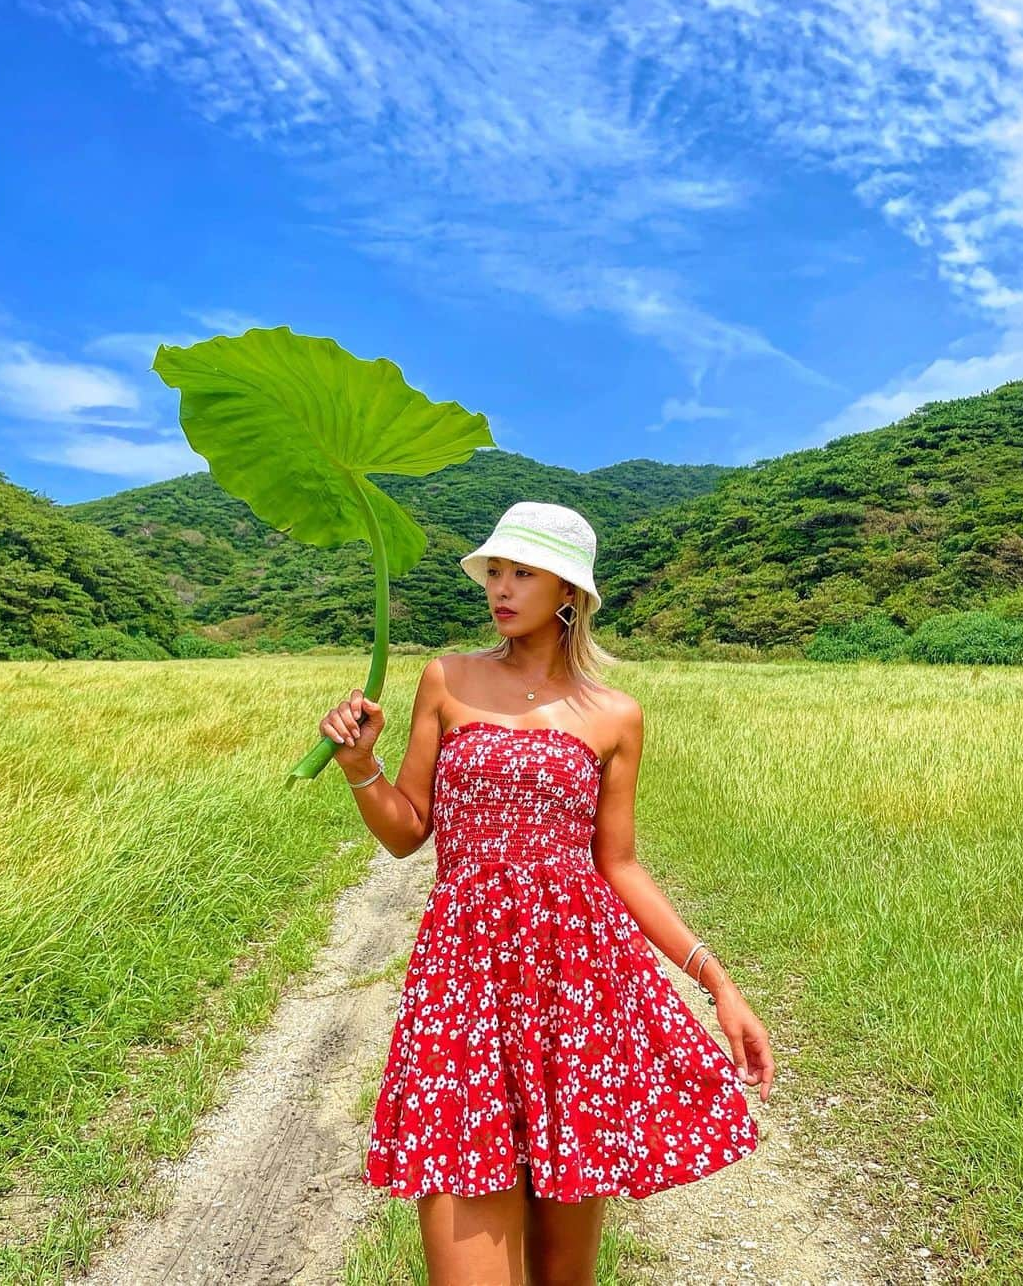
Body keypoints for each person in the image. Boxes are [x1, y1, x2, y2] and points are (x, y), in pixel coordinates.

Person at [319, 500, 775, 1286]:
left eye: (521, 571)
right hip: (461, 988)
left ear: (569, 591)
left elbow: (620, 866)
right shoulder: (447, 678)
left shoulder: (616, 715)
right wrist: (363, 766)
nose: (499, 585)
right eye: (494, 569)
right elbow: (407, 832)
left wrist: (717, 982)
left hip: (576, 992)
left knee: (565, 1277)